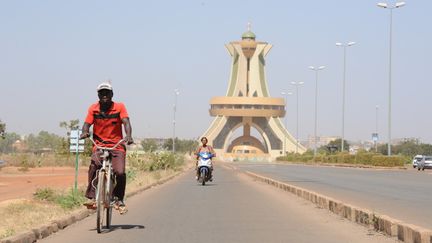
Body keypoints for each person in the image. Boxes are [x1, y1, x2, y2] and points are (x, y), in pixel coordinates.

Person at [80, 82, 133, 214]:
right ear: (98, 95)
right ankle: (92, 197)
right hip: (99, 145)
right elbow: (86, 124)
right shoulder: (93, 108)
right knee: (94, 166)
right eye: (101, 93)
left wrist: (129, 135)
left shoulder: (119, 107)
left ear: (112, 94)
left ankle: (118, 199)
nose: (104, 95)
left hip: (117, 145)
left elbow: (126, 122)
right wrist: (85, 132)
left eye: (107, 93)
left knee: (120, 172)